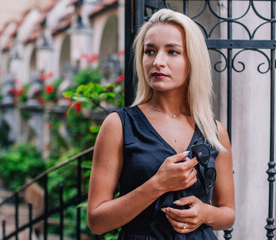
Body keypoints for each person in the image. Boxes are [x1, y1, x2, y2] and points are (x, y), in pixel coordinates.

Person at [87, 8, 235, 239]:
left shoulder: (214, 131)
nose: (158, 62)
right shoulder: (119, 125)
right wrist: (157, 184)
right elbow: (97, 222)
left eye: (173, 52)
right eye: (150, 51)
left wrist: (205, 213)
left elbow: (228, 212)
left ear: (192, 60)